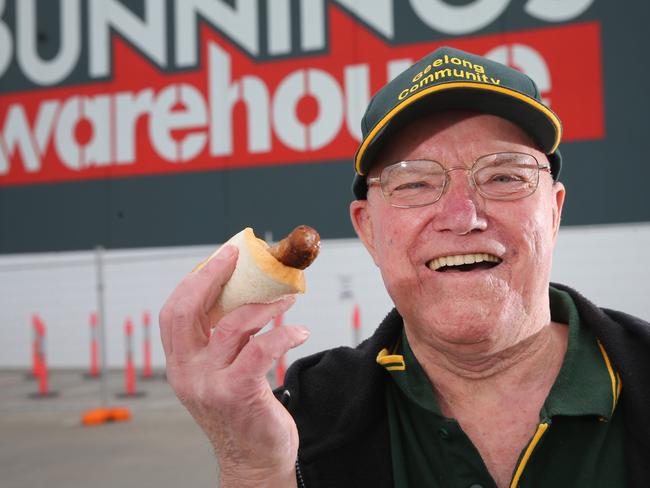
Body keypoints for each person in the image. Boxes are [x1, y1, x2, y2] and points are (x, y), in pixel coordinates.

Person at [159, 47, 650, 487]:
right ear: (368, 229)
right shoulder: (306, 412)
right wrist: (256, 469)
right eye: (413, 183)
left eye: (504, 175)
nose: (464, 217)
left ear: (555, 210)